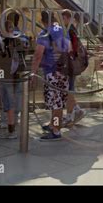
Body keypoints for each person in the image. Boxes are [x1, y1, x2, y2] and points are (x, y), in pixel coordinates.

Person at [30, 11, 71, 141]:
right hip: (64, 71)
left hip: (51, 71)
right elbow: (69, 49)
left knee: (55, 103)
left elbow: (38, 55)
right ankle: (54, 124)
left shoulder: (44, 34)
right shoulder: (63, 30)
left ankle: (56, 131)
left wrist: (33, 72)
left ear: (43, 21)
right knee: (58, 101)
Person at [0, 20, 25, 139]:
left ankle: (11, 130)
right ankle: (13, 125)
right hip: (17, 75)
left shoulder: (2, 43)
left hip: (6, 76)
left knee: (8, 104)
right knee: (15, 101)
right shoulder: (19, 41)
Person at [61, 10, 86, 128]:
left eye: (62, 18)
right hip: (73, 64)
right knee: (68, 89)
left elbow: (68, 49)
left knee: (69, 90)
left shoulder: (68, 31)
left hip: (70, 64)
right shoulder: (73, 30)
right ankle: (77, 110)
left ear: (66, 18)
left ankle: (70, 116)